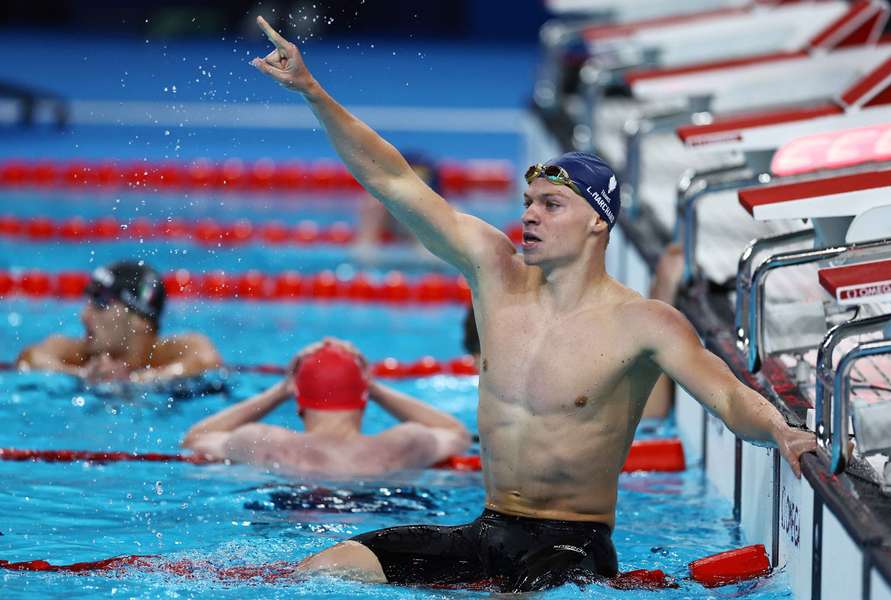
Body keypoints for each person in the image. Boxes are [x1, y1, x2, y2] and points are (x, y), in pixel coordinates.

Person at [249, 16, 817, 592]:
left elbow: (726, 396)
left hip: (572, 545)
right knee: (320, 571)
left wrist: (780, 426)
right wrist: (314, 93)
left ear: (598, 220)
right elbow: (393, 181)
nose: (529, 216)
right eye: (528, 202)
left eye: (551, 205)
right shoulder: (495, 273)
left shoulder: (641, 322)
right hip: (487, 529)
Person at [181, 339, 471, 476]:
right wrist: (375, 387)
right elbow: (458, 434)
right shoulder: (403, 443)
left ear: (299, 403)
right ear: (364, 401)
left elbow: (194, 440)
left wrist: (279, 390)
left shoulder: (264, 442)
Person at [16, 260, 222, 383]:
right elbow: (31, 358)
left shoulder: (170, 352)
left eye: (101, 303)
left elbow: (206, 360)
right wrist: (84, 375)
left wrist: (134, 381)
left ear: (140, 319)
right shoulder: (80, 355)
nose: (84, 316)